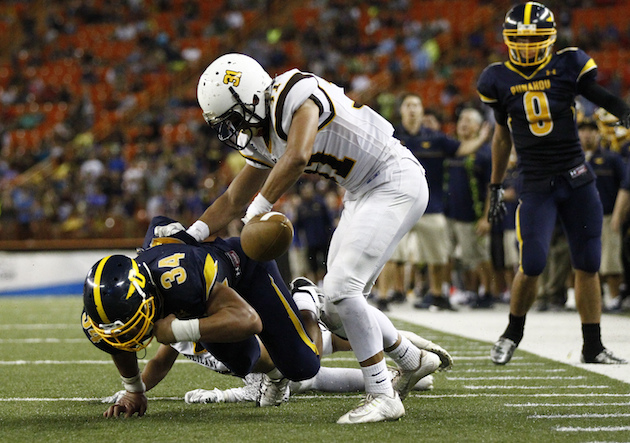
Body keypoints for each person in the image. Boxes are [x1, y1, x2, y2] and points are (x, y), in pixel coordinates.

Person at [182, 53, 442, 423]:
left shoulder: (292, 92)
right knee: (334, 308)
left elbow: (298, 156)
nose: (233, 129)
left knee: (341, 288)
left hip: (392, 178)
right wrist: (192, 236)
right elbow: (232, 199)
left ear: (252, 95)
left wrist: (258, 210)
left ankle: (383, 394)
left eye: (234, 117)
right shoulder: (260, 138)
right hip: (360, 192)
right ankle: (413, 360)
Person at [477, 1, 629, 365]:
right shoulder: (497, 78)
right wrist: (496, 185)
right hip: (535, 182)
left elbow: (602, 98)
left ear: (551, 39)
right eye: (519, 40)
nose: (527, 47)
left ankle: (592, 345)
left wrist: (626, 112)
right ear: (508, 40)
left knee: (588, 262)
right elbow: (501, 137)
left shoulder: (568, 63)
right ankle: (513, 332)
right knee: (532, 262)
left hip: (577, 179)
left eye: (535, 40)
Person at [81, 216, 321, 418]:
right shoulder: (102, 318)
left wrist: (178, 331)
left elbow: (249, 320)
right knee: (240, 360)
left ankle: (306, 301)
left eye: (131, 326)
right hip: (196, 289)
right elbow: (119, 346)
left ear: (147, 298)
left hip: (245, 270)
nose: (130, 337)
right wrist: (133, 390)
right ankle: (275, 375)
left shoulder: (182, 284)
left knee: (303, 367)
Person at [381, 93, 490, 312]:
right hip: (399, 205)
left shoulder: (437, 138)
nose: (412, 109)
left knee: (438, 255)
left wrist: (482, 138)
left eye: (416, 105)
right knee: (391, 255)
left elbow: (461, 149)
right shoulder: (389, 136)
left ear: (422, 111)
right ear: (401, 111)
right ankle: (384, 296)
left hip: (431, 205)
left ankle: (438, 294)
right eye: (408, 105)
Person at [444, 108, 494, 308]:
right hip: (448, 213)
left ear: (478, 127)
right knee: (446, 254)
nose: (463, 123)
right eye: (461, 119)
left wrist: (486, 217)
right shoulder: (453, 149)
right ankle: (453, 292)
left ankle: (488, 293)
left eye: (468, 120)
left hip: (472, 214)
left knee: (478, 256)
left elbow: (492, 187)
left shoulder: (484, 152)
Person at [581, 116, 626, 305]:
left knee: (610, 261)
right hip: (582, 218)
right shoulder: (574, 160)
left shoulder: (611, 158)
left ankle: (614, 298)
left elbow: (626, 186)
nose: (587, 134)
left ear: (598, 133)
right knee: (586, 261)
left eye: (592, 130)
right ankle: (593, 299)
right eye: (583, 130)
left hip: (607, 215)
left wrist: (618, 213)